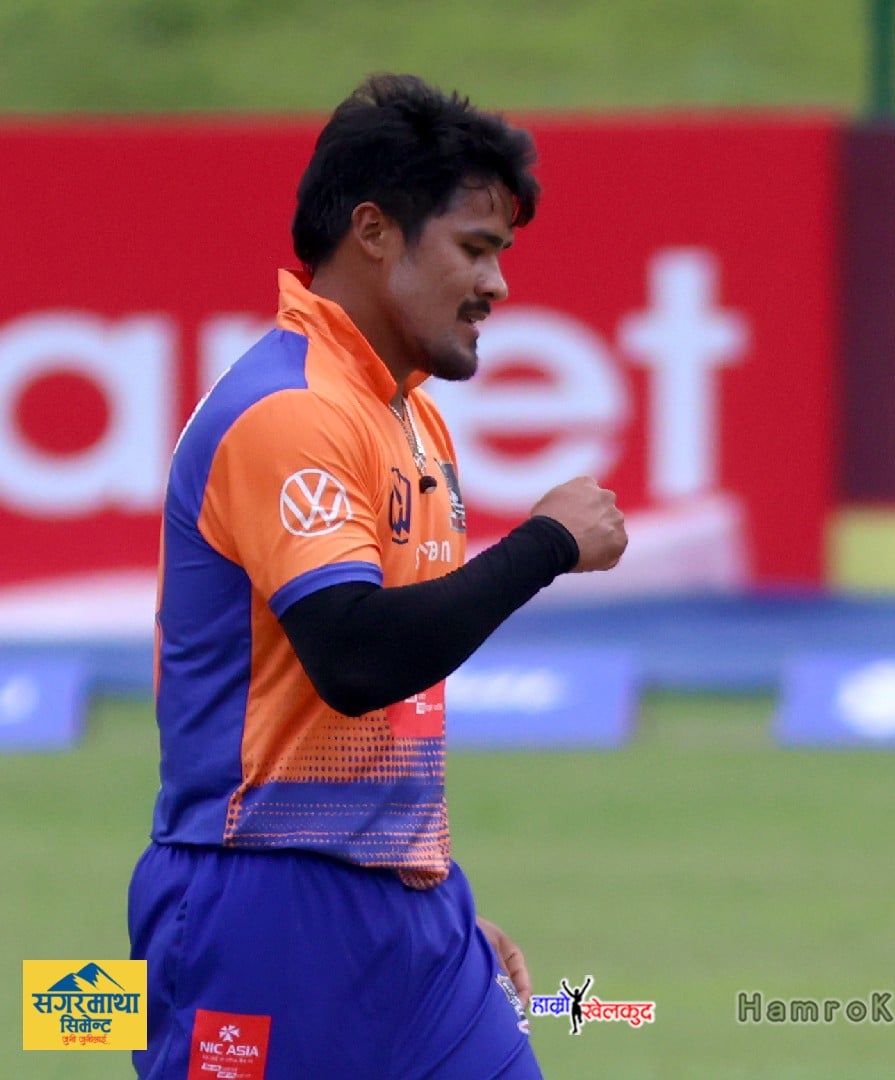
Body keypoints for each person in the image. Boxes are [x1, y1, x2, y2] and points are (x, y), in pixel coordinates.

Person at [128, 73, 627, 1079]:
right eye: (475, 249)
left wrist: (414, 892)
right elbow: (355, 658)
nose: (498, 285)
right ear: (374, 231)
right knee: (75, 1023)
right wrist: (545, 545)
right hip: (258, 912)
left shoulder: (411, 417)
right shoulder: (289, 411)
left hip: (411, 923)